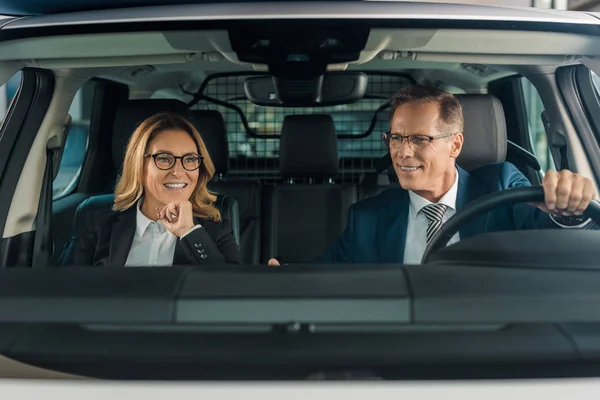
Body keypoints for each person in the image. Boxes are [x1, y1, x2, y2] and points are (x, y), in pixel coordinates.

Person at [269, 85, 598, 266]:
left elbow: (562, 242)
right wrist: (283, 282)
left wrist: (569, 211)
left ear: (455, 145)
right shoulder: (367, 218)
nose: (402, 152)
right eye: (396, 138)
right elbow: (323, 277)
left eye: (419, 139)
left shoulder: (502, 187)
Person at [61, 113, 242, 266]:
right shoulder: (96, 216)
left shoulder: (215, 222)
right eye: (163, 159)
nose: (178, 172)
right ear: (139, 165)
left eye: (189, 159)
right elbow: (64, 289)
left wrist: (189, 231)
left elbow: (228, 289)